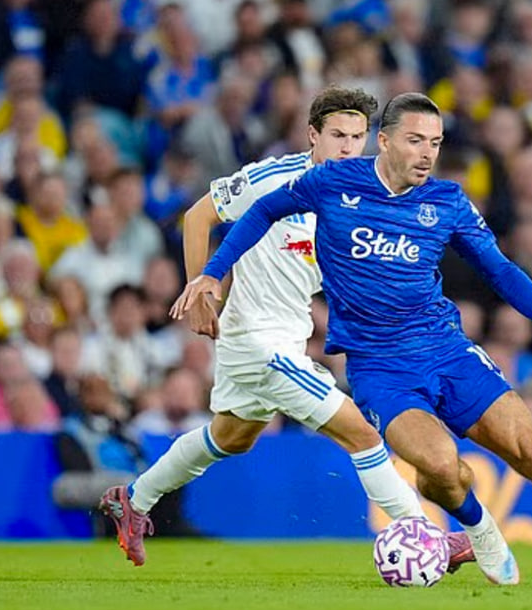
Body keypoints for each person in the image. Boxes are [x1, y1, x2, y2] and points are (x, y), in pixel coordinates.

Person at [173, 92, 532, 587]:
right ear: (387, 141)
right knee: (442, 467)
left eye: (436, 143)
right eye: (416, 141)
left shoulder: (447, 201)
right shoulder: (332, 182)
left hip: (446, 350)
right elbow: (262, 211)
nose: (427, 154)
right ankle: (479, 525)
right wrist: (214, 274)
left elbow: (499, 270)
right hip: (379, 368)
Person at [99, 86, 472, 570]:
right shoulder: (273, 178)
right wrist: (201, 288)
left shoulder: (363, 194)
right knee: (362, 432)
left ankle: (133, 499)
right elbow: (197, 216)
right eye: (337, 134)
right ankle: (425, 534)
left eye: (358, 136)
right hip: (258, 342)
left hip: (286, 335)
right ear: (312, 135)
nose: (347, 146)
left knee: (232, 436)